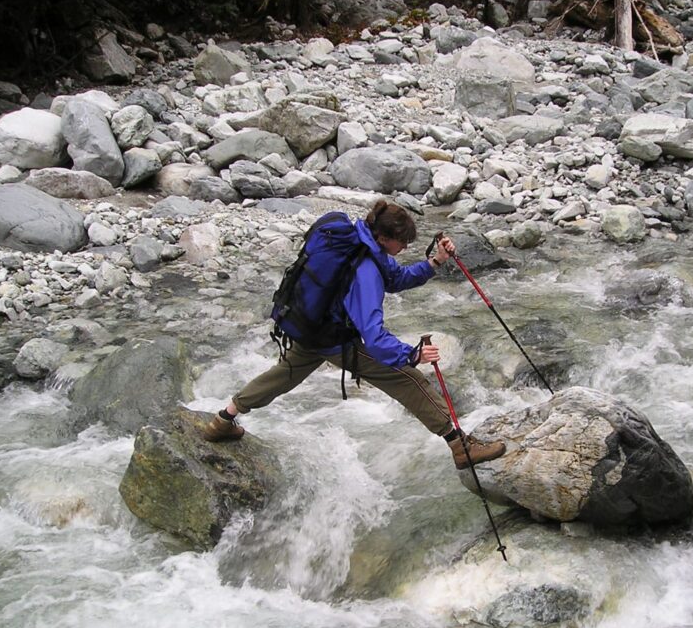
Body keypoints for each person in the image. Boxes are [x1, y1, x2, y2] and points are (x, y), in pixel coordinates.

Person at [202, 200, 506, 471]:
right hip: (334, 339)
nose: (404, 249)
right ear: (384, 238)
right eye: (402, 243)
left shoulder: (360, 242)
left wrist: (435, 261)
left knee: (282, 375)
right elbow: (373, 335)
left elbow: (396, 278)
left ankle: (223, 419)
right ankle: (460, 446)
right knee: (409, 379)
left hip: (310, 327)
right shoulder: (365, 271)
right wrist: (411, 355)